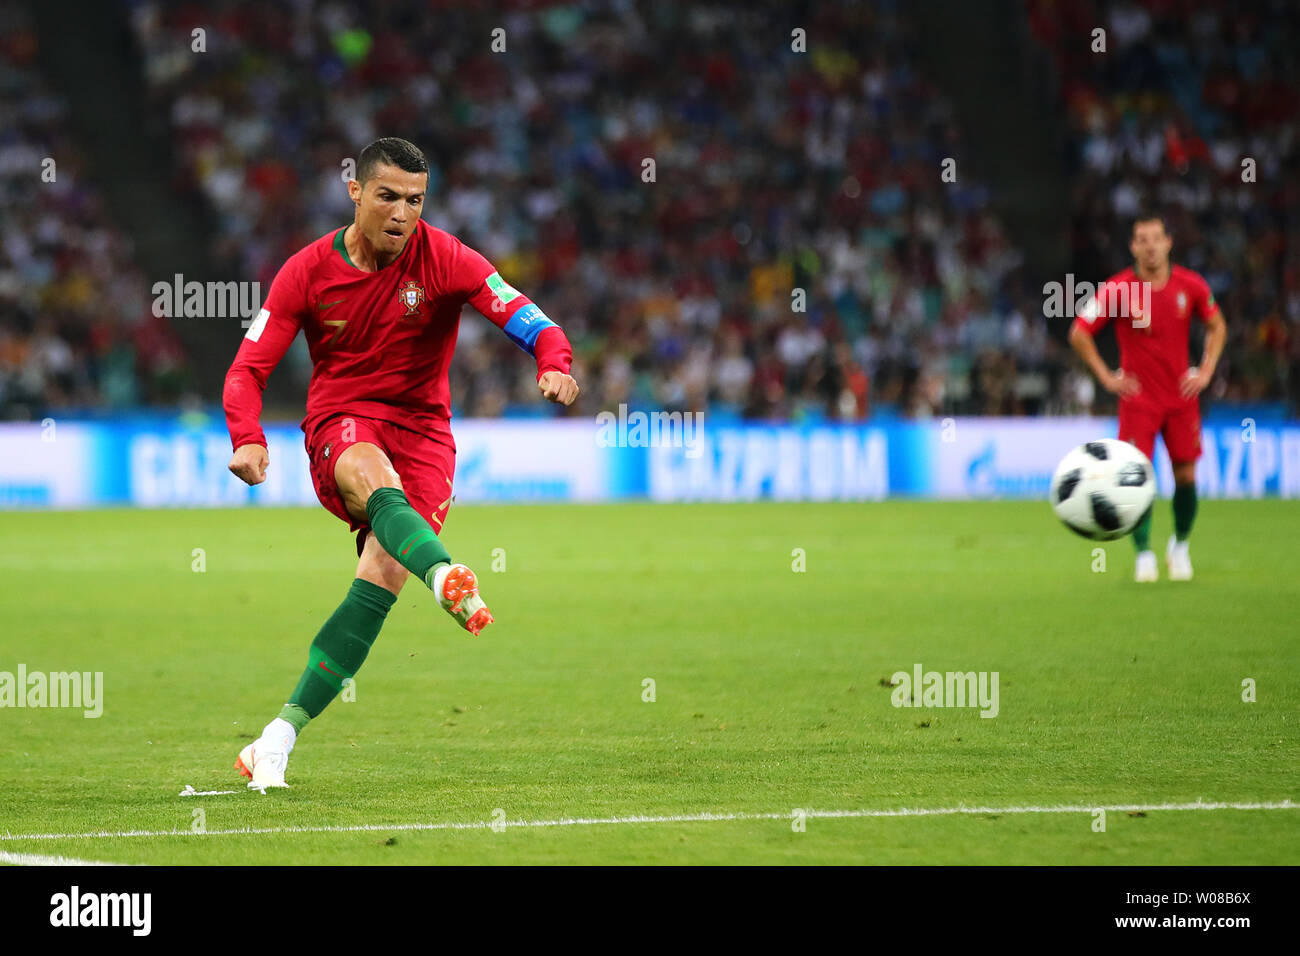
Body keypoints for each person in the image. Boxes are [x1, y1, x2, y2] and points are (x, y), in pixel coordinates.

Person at [222, 138, 579, 789]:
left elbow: (532, 320)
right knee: (369, 470)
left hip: (424, 438)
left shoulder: (444, 256)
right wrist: (247, 437)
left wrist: (553, 363)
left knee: (380, 576)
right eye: (388, 196)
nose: (402, 212)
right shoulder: (305, 272)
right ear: (355, 191)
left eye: (415, 199)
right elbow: (249, 367)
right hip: (342, 422)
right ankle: (443, 574)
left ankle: (276, 738)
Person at [1069, 212, 1226, 582]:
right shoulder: (1118, 289)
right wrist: (1107, 376)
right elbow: (1079, 331)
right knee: (1135, 477)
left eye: (1156, 238)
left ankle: (1181, 546)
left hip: (1181, 397)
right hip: (1138, 401)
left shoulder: (1192, 286)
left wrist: (1205, 370)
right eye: (1142, 239)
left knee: (1185, 475)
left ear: (1169, 242)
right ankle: (1143, 554)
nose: (1150, 245)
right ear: (1133, 246)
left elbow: (1217, 326)